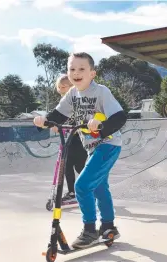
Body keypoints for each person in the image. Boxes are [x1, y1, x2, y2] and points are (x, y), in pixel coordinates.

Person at [33, 52, 127, 249]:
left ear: (92, 73)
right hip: (92, 148)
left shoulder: (101, 92)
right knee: (99, 187)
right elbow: (58, 115)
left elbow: (119, 117)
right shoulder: (72, 94)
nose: (76, 73)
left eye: (81, 69)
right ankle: (109, 226)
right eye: (72, 69)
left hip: (108, 145)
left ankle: (90, 230)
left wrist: (101, 126)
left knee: (83, 186)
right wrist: (44, 121)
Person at [53, 74, 88, 202]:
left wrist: (63, 125)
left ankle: (92, 189)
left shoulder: (77, 99)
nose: (61, 90)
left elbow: (75, 118)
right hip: (69, 140)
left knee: (80, 167)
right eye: (59, 87)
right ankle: (72, 192)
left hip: (80, 139)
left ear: (72, 86)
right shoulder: (64, 102)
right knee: (66, 166)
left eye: (64, 87)